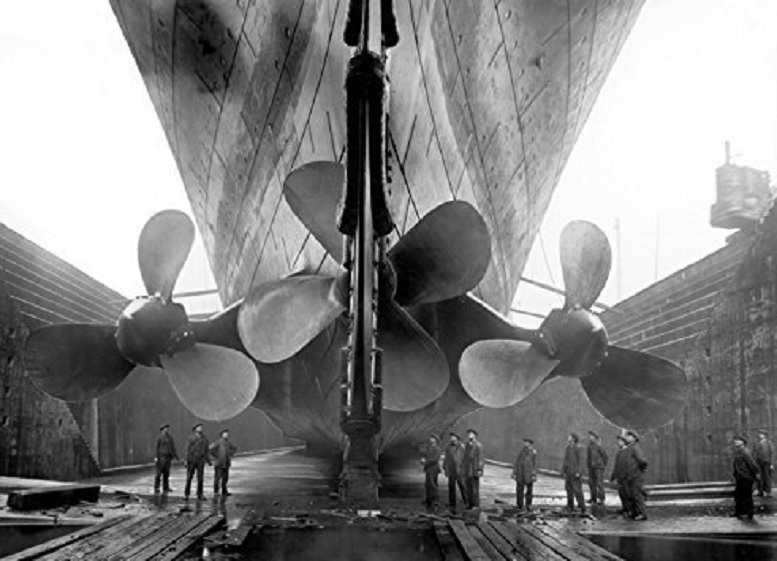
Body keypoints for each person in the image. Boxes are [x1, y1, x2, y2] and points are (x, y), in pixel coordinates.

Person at [732, 435, 760, 519]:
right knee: (738, 495)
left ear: (742, 442)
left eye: (737, 440)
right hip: (740, 477)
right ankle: (739, 512)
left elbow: (752, 463)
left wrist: (757, 473)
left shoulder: (745, 451)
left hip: (745, 477)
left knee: (746, 496)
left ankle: (749, 513)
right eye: (735, 440)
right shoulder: (739, 451)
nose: (735, 442)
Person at [623, 430, 649, 521]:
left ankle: (643, 513)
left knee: (637, 495)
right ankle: (635, 513)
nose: (626, 437)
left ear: (634, 438)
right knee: (632, 495)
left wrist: (642, 469)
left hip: (635, 476)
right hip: (631, 476)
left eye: (629, 436)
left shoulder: (634, 448)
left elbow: (642, 461)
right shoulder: (630, 447)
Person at [184, 423, 210, 500]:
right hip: (192, 460)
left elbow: (206, 450)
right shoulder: (191, 438)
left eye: (201, 427)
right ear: (195, 429)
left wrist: (208, 461)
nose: (200, 428)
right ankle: (186, 494)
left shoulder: (205, 438)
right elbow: (187, 449)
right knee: (189, 478)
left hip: (200, 461)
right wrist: (186, 459)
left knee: (200, 478)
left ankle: (200, 494)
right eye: (199, 427)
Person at [561, 433, 586, 514]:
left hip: (575, 473)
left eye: (570, 438)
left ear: (574, 439)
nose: (568, 439)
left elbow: (581, 462)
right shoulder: (568, 448)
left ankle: (582, 507)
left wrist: (579, 472)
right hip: (569, 473)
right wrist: (563, 470)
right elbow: (565, 460)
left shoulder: (579, 448)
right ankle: (570, 506)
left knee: (577, 490)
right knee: (569, 490)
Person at [209, 429, 237, 496]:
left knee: (225, 478)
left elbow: (234, 448)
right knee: (218, 478)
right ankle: (216, 491)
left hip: (226, 463)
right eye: (225, 433)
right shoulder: (218, 442)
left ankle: (224, 491)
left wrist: (231, 453)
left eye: (227, 433)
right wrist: (215, 455)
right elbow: (210, 448)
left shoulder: (228, 442)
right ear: (222, 434)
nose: (227, 434)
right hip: (219, 463)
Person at [443, 432, 466, 511]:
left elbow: (465, 459)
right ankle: (452, 503)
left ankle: (466, 501)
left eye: (453, 437)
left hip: (460, 470)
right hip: (451, 470)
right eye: (450, 437)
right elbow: (446, 458)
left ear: (457, 438)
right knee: (451, 486)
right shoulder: (448, 447)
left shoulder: (462, 447)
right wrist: (445, 467)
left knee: (462, 486)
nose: (451, 438)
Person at [512, 437, 537, 511]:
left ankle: (528, 505)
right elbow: (517, 462)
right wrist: (514, 472)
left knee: (529, 491)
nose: (525, 443)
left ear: (530, 443)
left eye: (526, 442)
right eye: (524, 442)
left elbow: (535, 464)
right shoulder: (521, 452)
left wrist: (533, 475)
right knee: (519, 490)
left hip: (528, 474)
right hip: (520, 474)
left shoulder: (533, 452)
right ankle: (520, 505)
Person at [462, 429, 484, 509]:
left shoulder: (478, 446)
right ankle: (470, 504)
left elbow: (481, 458)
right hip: (467, 470)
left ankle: (476, 505)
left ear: (475, 435)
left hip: (474, 470)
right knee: (468, 488)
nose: (469, 435)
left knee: (475, 489)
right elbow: (464, 458)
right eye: (468, 434)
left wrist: (479, 469)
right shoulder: (467, 445)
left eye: (470, 434)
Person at [154, 423, 178, 493]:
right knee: (158, 473)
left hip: (168, 457)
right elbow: (156, 447)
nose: (166, 429)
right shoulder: (159, 437)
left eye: (167, 428)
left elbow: (173, 447)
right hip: (161, 457)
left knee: (166, 473)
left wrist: (176, 456)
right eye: (165, 428)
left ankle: (166, 487)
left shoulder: (170, 437)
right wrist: (156, 457)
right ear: (162, 429)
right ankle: (156, 487)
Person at [610, 433, 630, 517]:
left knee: (627, 494)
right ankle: (624, 508)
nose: (618, 443)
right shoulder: (619, 452)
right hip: (620, 477)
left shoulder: (628, 452)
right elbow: (616, 465)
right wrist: (613, 476)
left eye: (620, 441)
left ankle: (629, 509)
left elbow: (629, 465)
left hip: (625, 477)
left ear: (624, 442)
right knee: (621, 494)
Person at [587, 430, 608, 505]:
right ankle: (593, 498)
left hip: (598, 467)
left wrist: (602, 465)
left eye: (591, 436)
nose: (589, 437)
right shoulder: (590, 445)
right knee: (591, 483)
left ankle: (601, 499)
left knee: (599, 483)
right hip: (591, 467)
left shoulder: (599, 446)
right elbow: (589, 456)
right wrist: (589, 465)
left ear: (595, 437)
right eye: (589, 436)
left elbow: (605, 456)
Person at [421, 435, 442, 511]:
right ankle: (429, 500)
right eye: (430, 438)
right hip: (428, 468)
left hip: (433, 468)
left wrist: (425, 462)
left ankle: (435, 500)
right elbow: (424, 454)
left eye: (432, 438)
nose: (431, 439)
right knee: (428, 484)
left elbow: (435, 459)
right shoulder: (429, 448)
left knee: (432, 484)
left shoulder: (437, 449)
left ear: (436, 440)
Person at [753, 429, 773, 498]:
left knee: (767, 477)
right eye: (759, 434)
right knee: (759, 477)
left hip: (767, 462)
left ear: (765, 435)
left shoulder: (769, 443)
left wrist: (771, 464)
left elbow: (772, 453)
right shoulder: (757, 443)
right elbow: (754, 453)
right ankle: (760, 491)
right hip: (758, 462)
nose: (760, 435)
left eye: (761, 434)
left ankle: (768, 492)